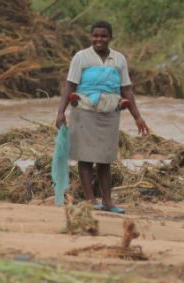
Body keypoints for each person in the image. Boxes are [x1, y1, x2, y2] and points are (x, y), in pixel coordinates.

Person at [55, 20, 149, 214]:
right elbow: (70, 85)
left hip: (110, 113)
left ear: (110, 38)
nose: (99, 39)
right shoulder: (81, 57)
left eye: (103, 36)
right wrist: (60, 112)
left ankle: (108, 202)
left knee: (105, 158)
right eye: (95, 36)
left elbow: (126, 89)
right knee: (86, 158)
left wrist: (137, 117)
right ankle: (90, 200)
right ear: (91, 37)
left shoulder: (119, 59)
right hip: (84, 111)